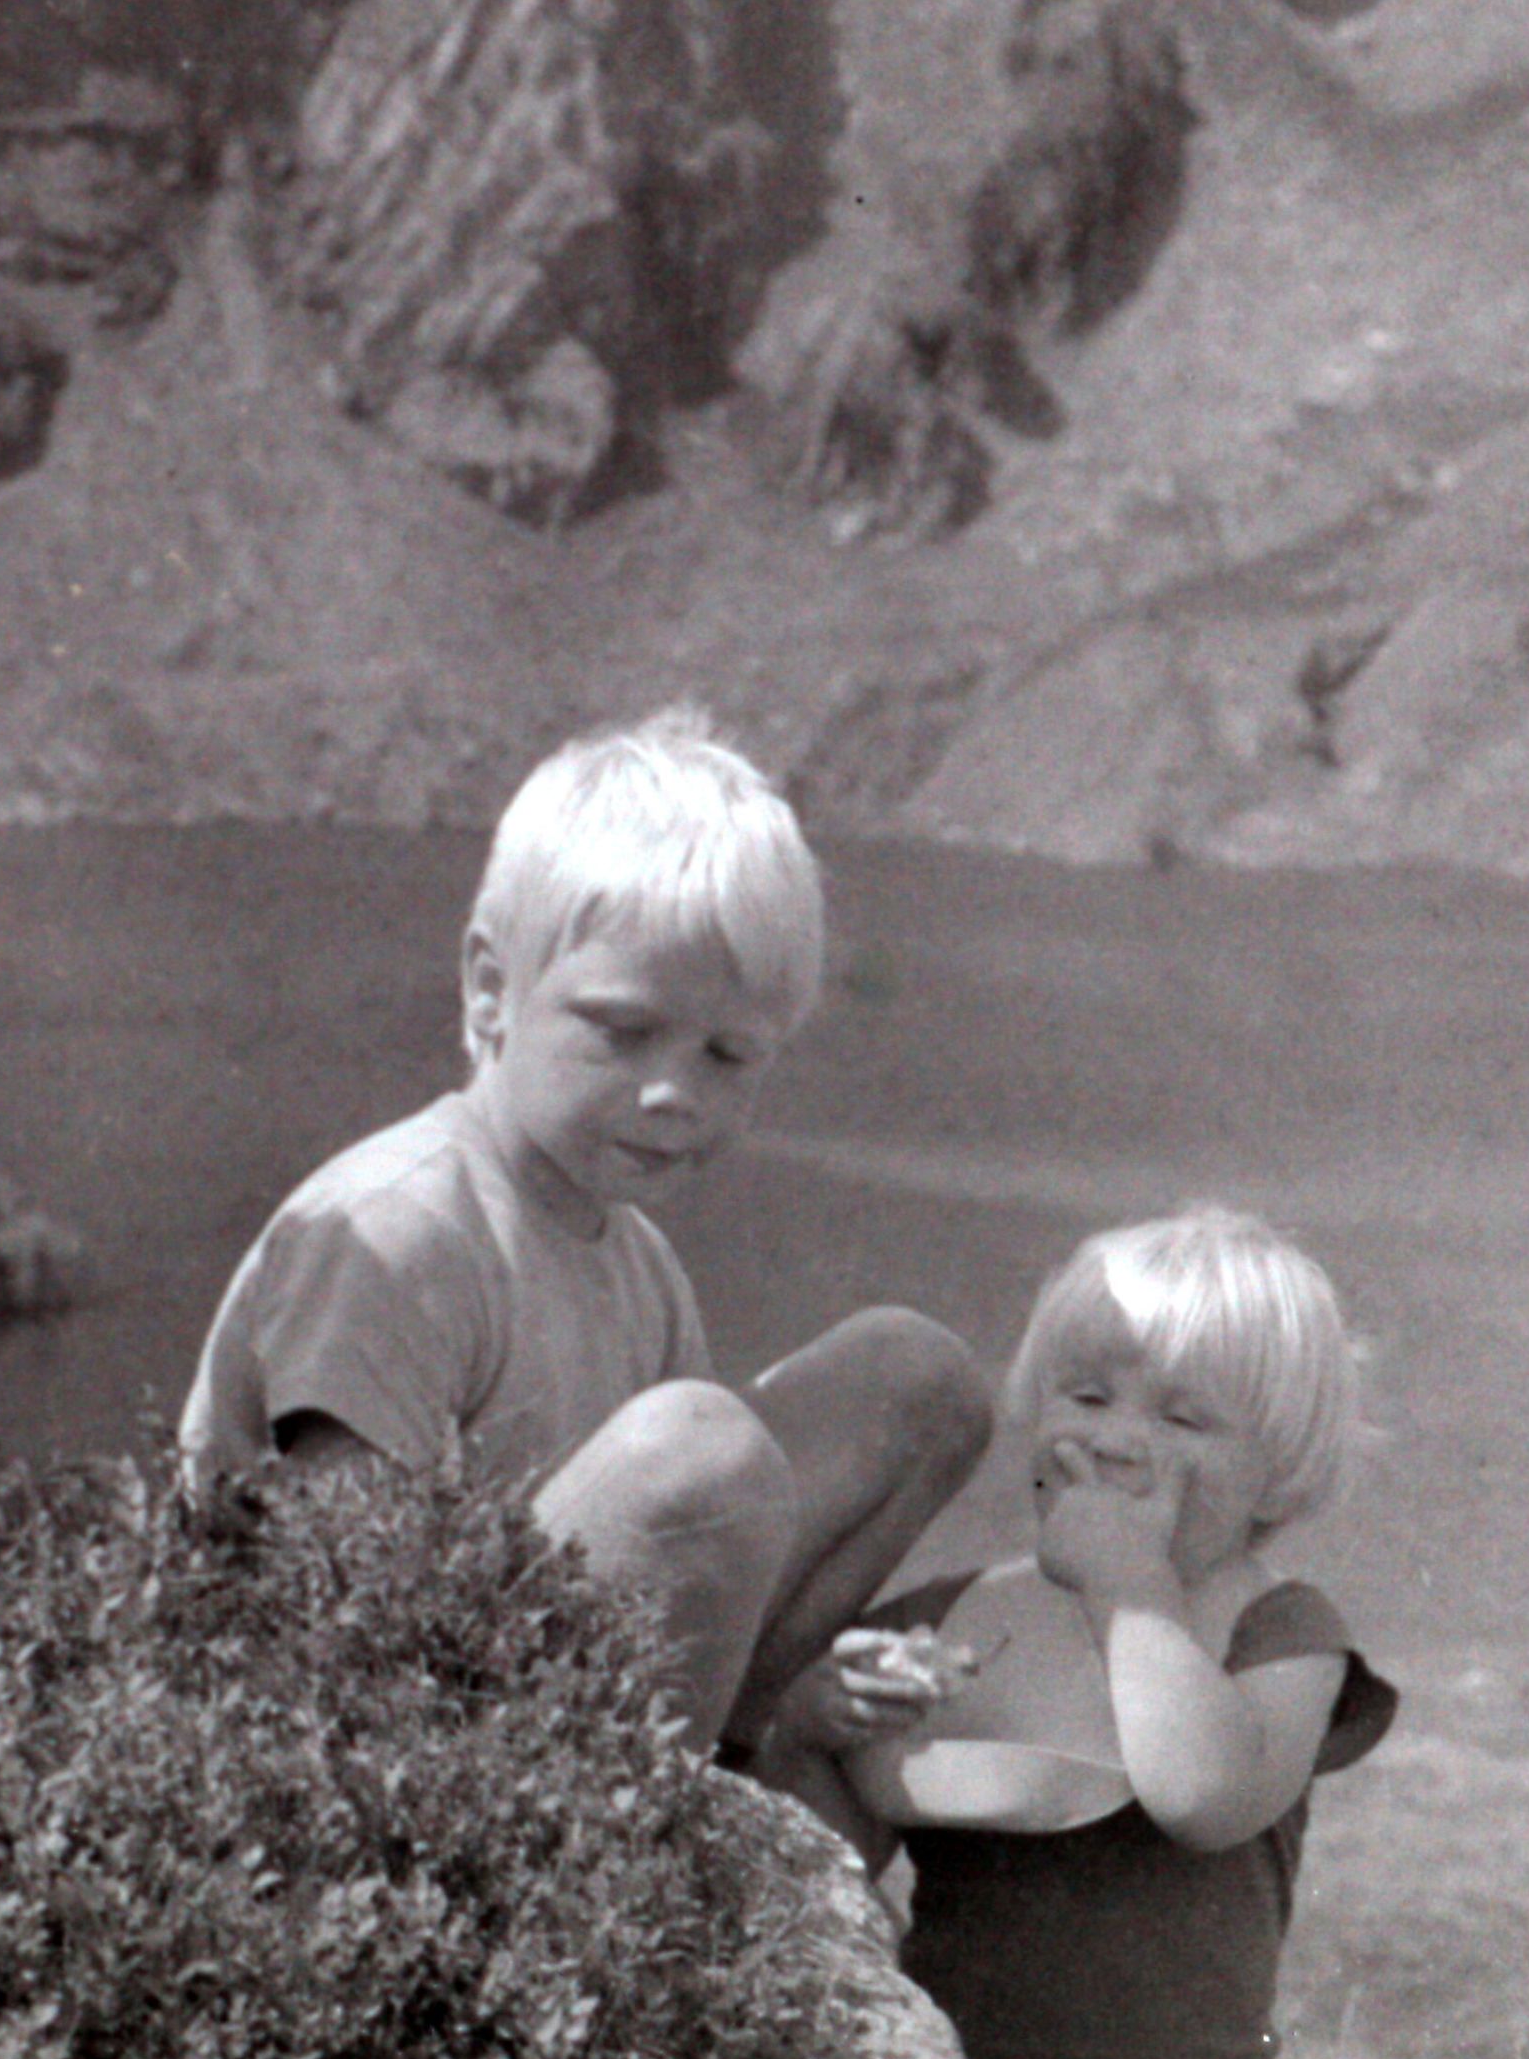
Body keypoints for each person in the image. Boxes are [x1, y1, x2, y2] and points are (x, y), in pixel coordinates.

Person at [177, 707, 993, 1753]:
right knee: (705, 1448)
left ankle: (746, 1728)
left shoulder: (634, 1258)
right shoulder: (394, 1232)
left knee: (915, 1377)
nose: (673, 1093)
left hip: (532, 1670)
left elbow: (683, 1544)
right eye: (622, 1030)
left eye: (728, 1055)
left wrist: (798, 1664)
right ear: (488, 989)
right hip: (364, 1727)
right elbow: (338, 1620)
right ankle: (641, 1854)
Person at [766, 1206, 1395, 2059]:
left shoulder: (1281, 1632)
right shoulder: (949, 1616)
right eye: (1088, 1397)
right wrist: (813, 1730)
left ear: (1279, 1472)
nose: (1115, 1439)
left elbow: (1204, 1794)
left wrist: (1126, 1583)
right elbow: (826, 1870)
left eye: (1184, 1416)